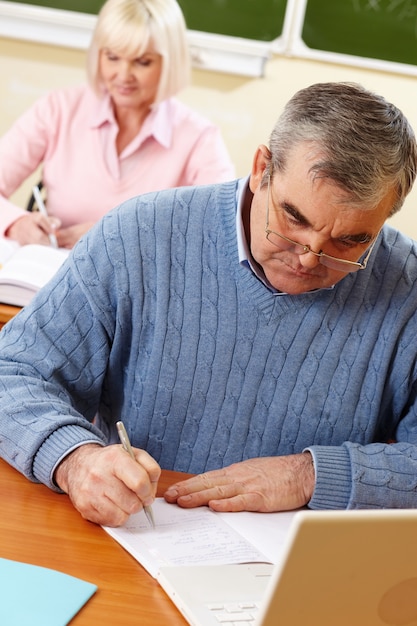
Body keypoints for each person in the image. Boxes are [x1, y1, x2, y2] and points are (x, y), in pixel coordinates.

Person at [1, 81, 417, 528]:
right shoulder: (140, 234)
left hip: (309, 566)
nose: (309, 257)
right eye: (293, 218)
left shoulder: (406, 283)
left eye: (349, 241)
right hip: (139, 536)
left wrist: (310, 476)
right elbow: (13, 372)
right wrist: (75, 459)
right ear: (262, 169)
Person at [0, 0, 234, 249]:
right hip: (53, 271)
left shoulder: (199, 138)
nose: (123, 75)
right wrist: (16, 223)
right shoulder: (57, 110)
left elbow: (221, 230)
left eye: (142, 62)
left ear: (169, 62)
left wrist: (116, 236)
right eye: (112, 57)